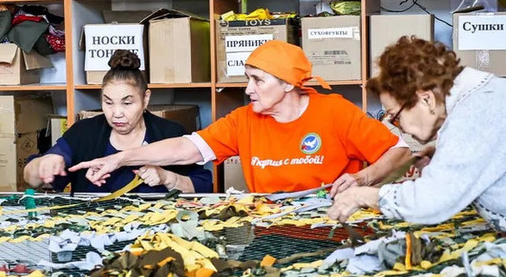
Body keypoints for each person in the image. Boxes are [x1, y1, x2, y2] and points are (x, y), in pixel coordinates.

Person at [70, 40, 412, 195]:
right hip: (269, 229)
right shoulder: (243, 120)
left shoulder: (335, 111)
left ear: (288, 84)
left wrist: (363, 179)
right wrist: (120, 159)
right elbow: (185, 148)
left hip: (331, 225)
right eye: (248, 78)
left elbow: (399, 151)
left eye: (258, 80)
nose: (248, 89)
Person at [328, 36, 506, 232]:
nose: (400, 128)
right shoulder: (482, 96)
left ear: (426, 99)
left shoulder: (478, 109)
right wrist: (443, 156)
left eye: (396, 117)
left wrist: (361, 196)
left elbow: (431, 200)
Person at [23, 49, 212, 193]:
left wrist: (168, 178)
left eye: (127, 103)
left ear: (145, 99)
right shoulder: (84, 132)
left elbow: (203, 186)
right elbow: (31, 179)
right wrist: (42, 165)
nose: (116, 113)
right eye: (108, 102)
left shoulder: (170, 133)